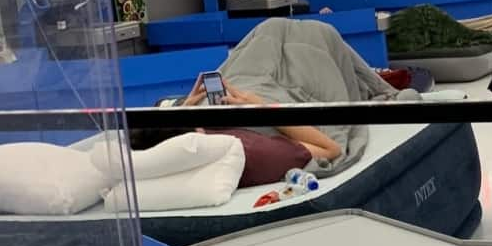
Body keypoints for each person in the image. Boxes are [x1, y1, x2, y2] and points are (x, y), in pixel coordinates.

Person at [134, 75, 343, 163]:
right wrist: (261, 108)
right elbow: (330, 149)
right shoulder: (250, 148)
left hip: (234, 89)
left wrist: (186, 107)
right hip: (267, 94)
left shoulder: (189, 119)